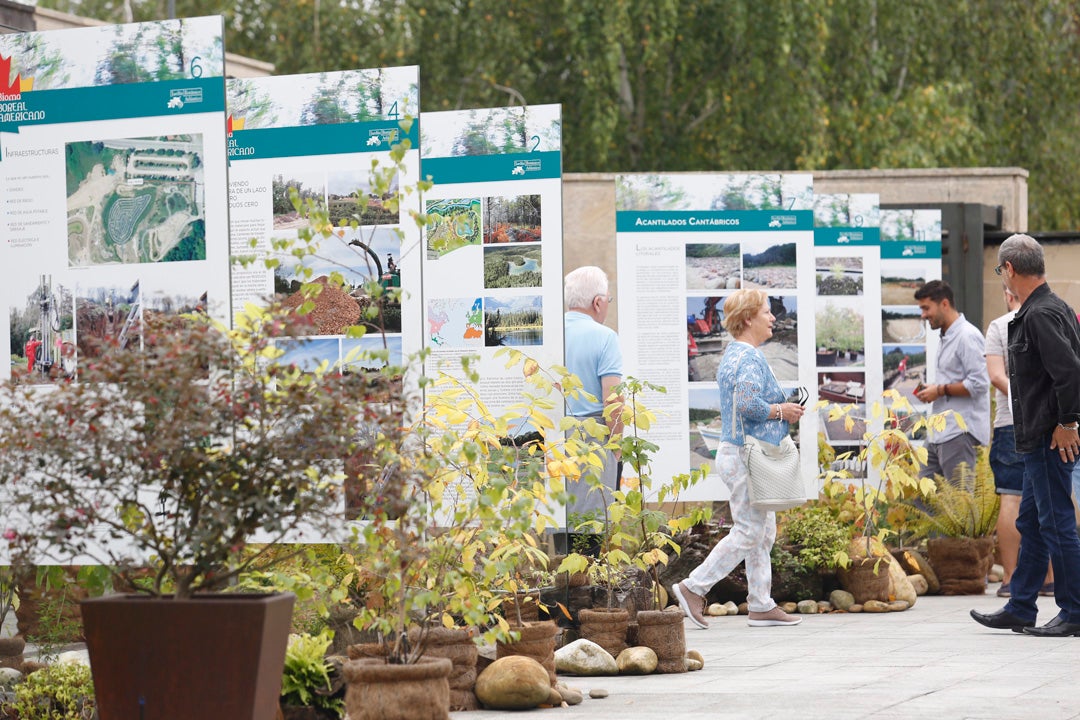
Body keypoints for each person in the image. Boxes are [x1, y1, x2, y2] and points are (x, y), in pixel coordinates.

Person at [672, 289, 806, 629]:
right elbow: (748, 404)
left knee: (763, 531)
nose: (773, 317)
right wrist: (783, 410)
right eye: (766, 312)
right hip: (747, 456)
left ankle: (761, 603)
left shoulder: (734, 354)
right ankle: (693, 587)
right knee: (749, 530)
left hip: (738, 452)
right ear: (748, 318)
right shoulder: (748, 358)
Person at [971, 233, 1080, 637]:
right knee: (1032, 523)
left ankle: (1074, 611)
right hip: (1040, 439)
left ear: (1009, 270)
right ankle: (1020, 607)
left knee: (1056, 523)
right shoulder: (1054, 307)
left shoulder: (1038, 314)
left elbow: (1069, 373)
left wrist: (1068, 423)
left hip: (1051, 439)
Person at [986, 287, 1053, 597]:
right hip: (1048, 422)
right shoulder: (1051, 318)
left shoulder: (999, 326)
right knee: (1049, 496)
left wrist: (1022, 399)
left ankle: (1012, 578)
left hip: (1011, 423)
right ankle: (1050, 577)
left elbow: (996, 376)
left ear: (1007, 292)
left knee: (1012, 499)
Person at [563, 266, 623, 529]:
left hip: (554, 436)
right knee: (590, 527)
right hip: (593, 438)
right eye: (608, 300)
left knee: (562, 522)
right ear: (597, 302)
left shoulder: (550, 333)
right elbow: (613, 400)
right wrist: (616, 449)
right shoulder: (605, 337)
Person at [914, 280, 991, 482]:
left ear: (944, 304)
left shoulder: (967, 336)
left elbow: (980, 383)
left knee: (960, 507)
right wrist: (935, 389)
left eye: (926, 308)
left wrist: (939, 390)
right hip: (939, 432)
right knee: (923, 495)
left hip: (960, 433)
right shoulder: (946, 335)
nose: (923, 315)